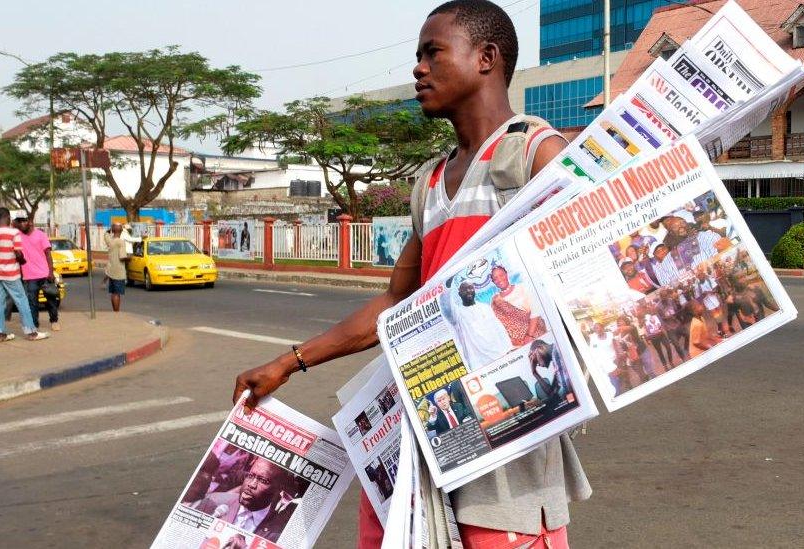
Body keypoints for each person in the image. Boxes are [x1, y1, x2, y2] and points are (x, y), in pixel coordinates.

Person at [233, 2, 586, 547]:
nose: (418, 69)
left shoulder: (537, 154)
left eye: (432, 53)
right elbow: (398, 304)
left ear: (486, 58)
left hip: (505, 443)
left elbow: (584, 284)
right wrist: (289, 361)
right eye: (417, 56)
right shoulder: (432, 182)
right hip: (425, 430)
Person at [0, 208, 48, 342]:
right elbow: (18, 253)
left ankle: (0, 334)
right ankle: (31, 332)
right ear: (7, 217)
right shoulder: (14, 233)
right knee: (22, 301)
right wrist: (22, 259)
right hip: (11, 274)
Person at [196, 458, 291, 542]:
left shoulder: (279, 532)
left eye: (263, 480)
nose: (251, 484)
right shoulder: (212, 502)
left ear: (278, 489)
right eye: (250, 476)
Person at [440, 280, 514, 369]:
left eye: (470, 288)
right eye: (464, 289)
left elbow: (499, 328)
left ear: (474, 290)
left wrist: (509, 348)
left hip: (499, 355)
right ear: (459, 294)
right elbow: (447, 309)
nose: (468, 291)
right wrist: (447, 286)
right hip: (479, 363)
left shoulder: (485, 308)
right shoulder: (458, 314)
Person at [14, 216, 60, 332]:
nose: (22, 223)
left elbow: (48, 254)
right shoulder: (17, 236)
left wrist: (50, 271)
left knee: (51, 299)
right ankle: (34, 323)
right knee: (32, 303)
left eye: (24, 221)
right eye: (20, 222)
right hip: (29, 276)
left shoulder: (41, 235)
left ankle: (54, 320)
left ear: (30, 222)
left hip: (44, 274)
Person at [490, 265, 545, 345]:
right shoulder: (495, 301)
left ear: (506, 274)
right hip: (517, 343)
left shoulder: (522, 288)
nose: (499, 279)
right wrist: (512, 341)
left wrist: (529, 336)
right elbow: (498, 325)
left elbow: (535, 312)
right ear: (493, 282)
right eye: (495, 278)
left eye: (501, 275)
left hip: (536, 333)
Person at [105, 223, 130, 312]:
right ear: (122, 231)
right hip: (119, 271)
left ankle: (114, 311)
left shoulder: (110, 241)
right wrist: (130, 258)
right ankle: (116, 312)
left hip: (111, 270)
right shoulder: (120, 242)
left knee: (113, 293)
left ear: (113, 230)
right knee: (117, 294)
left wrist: (110, 230)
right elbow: (122, 257)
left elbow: (106, 234)